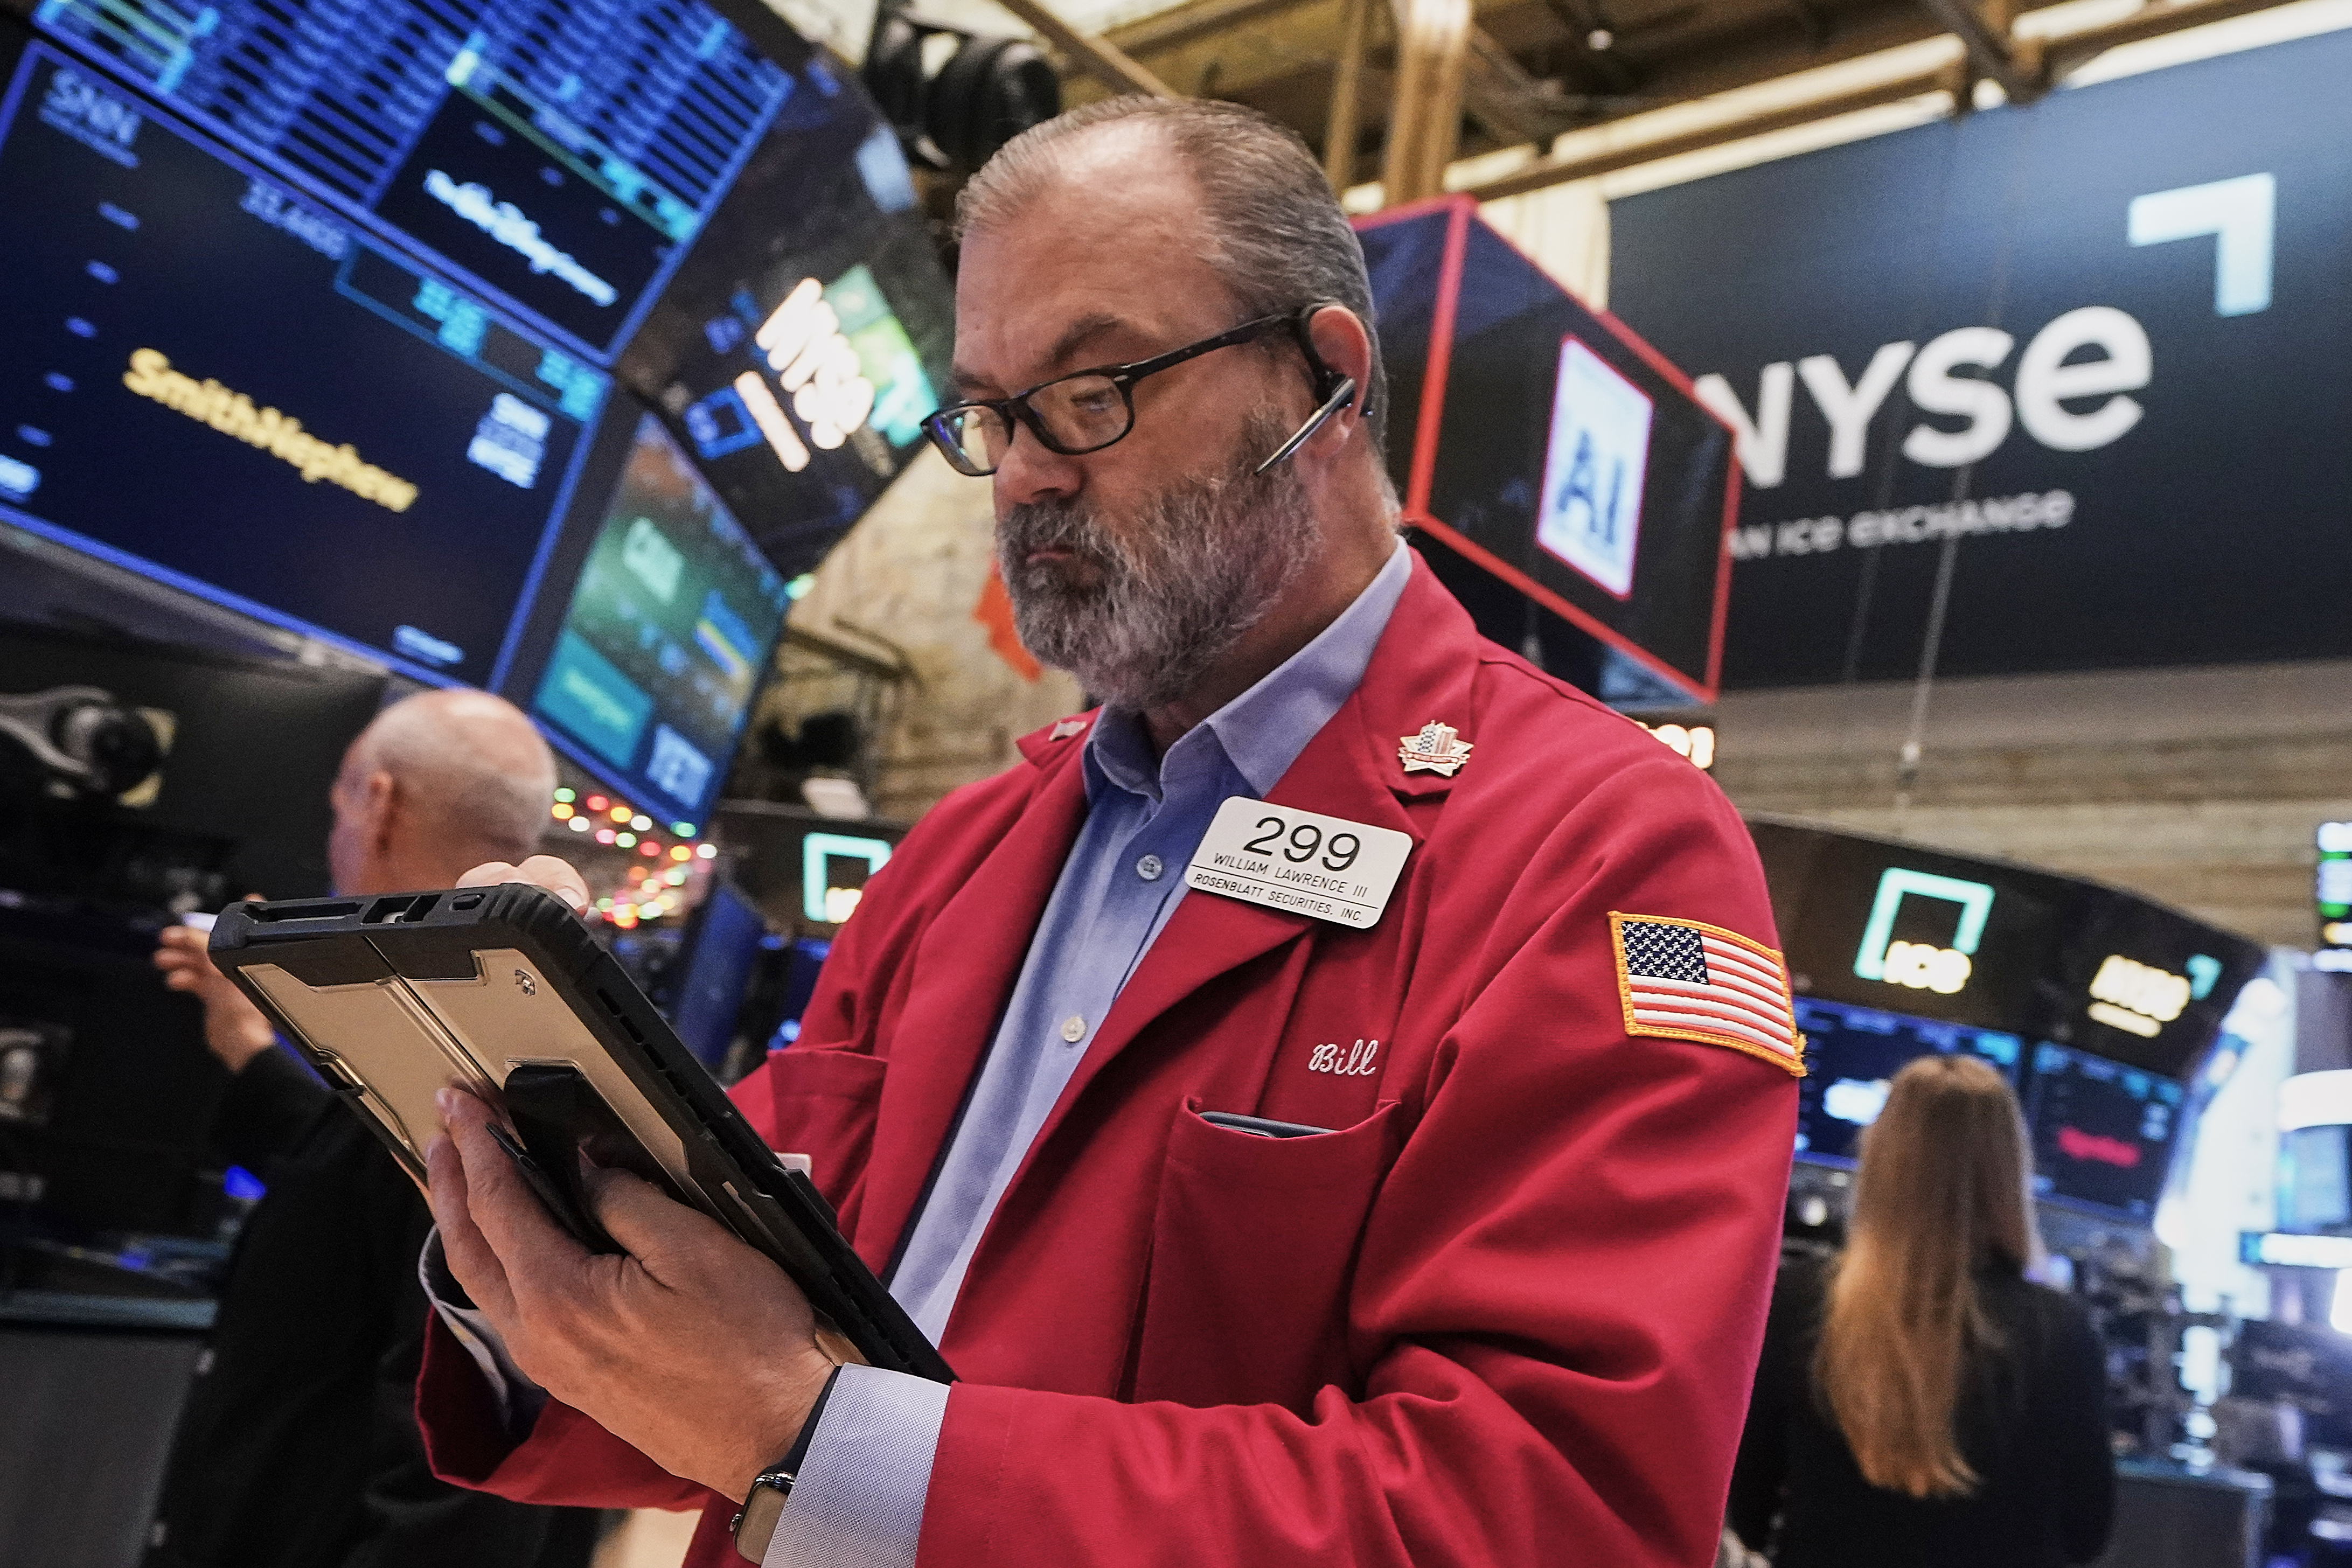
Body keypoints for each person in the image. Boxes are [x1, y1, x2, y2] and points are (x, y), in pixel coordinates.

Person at [414, 97, 1804, 1568]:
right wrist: (526, 1193)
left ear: (1324, 379)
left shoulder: (1603, 848)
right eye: (990, 414)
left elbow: (1544, 1511)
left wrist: (819, 1440)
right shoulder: (963, 849)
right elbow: (729, 1326)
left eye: (1092, 392)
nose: (1023, 473)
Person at [146, 689, 599, 1568]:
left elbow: (463, 1485)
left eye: (342, 802)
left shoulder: (446, 1045)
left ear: (380, 801)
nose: (335, 832)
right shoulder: (507, 1015)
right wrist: (247, 1046)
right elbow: (354, 1181)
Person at [1725, 1055, 2117, 1566]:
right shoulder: (2061, 1331)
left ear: (1882, 1160)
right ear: (2009, 1172)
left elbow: (1747, 1505)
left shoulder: (1800, 1301)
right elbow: (2088, 1531)